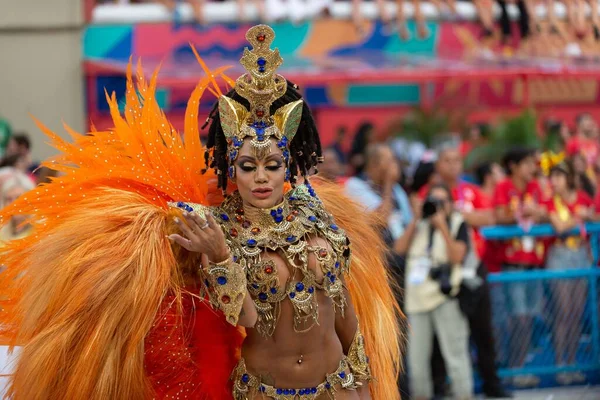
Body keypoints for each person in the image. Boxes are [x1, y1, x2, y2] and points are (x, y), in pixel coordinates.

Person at [0, 25, 401, 400]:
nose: (260, 178)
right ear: (232, 168)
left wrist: (363, 381)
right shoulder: (217, 229)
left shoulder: (319, 220)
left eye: (272, 165)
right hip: (266, 390)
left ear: (288, 165)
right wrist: (220, 255)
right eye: (247, 167)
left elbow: (342, 306)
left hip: (337, 386)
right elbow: (241, 314)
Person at [419, 146, 509, 399]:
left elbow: (489, 217)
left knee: (483, 330)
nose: (453, 165)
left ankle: (492, 383)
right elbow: (424, 219)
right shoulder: (429, 193)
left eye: (457, 160)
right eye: (447, 160)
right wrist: (467, 217)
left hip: (472, 268)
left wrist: (455, 214)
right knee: (439, 333)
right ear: (438, 165)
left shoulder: (472, 191)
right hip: (441, 269)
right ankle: (439, 386)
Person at [397, 183, 473, 400]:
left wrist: (442, 227)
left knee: (455, 357)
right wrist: (415, 219)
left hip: (445, 297)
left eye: (442, 202)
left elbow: (457, 256)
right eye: (434, 202)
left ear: (450, 204)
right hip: (418, 299)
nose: (438, 207)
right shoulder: (419, 225)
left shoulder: (457, 223)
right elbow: (399, 249)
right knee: (417, 361)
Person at [492, 147, 547, 388]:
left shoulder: (535, 187)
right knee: (518, 318)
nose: (531, 168)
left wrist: (538, 212)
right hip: (512, 264)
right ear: (513, 165)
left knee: (529, 317)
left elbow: (547, 211)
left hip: (534, 262)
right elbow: (498, 215)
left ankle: (521, 366)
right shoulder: (503, 187)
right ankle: (515, 368)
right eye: (526, 163)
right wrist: (520, 213)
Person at [543, 157, 593, 385]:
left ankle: (573, 362)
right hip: (560, 256)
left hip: (581, 256)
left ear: (570, 177)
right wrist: (579, 216)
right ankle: (561, 364)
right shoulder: (551, 201)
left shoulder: (582, 197)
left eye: (559, 176)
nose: (554, 181)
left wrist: (588, 215)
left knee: (576, 314)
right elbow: (560, 227)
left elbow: (594, 215)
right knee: (562, 312)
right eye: (552, 176)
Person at [345, 143, 412, 243]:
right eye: (390, 161)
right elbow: (381, 220)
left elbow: (408, 219)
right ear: (374, 164)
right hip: (377, 247)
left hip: (401, 244)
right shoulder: (355, 185)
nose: (394, 166)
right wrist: (388, 183)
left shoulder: (396, 189)